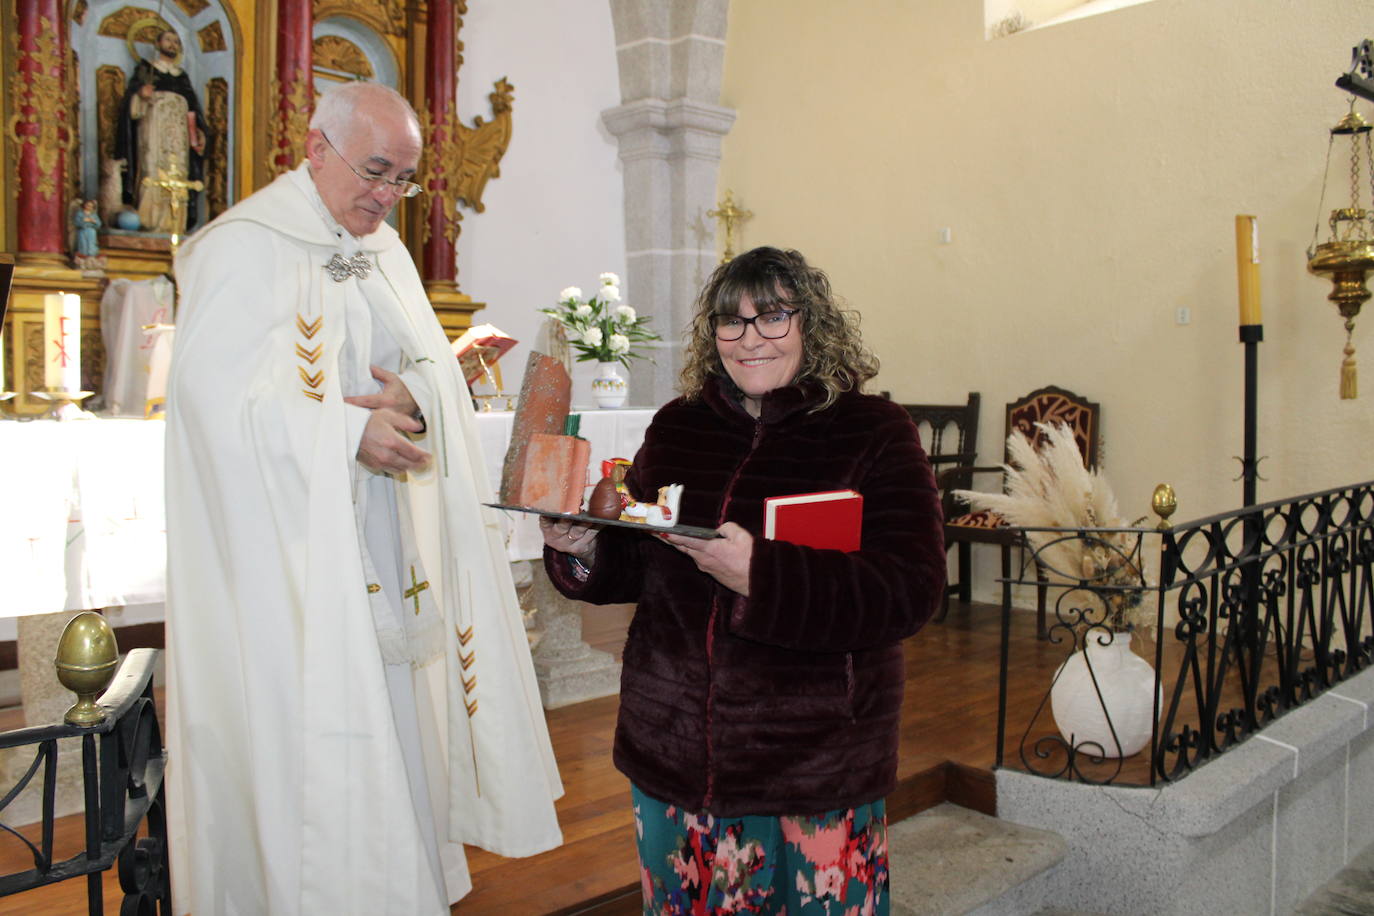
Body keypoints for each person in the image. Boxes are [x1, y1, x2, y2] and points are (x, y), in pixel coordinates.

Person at [165, 80, 562, 915]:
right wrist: (346, 433)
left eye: (403, 180)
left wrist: (411, 399)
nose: (387, 196)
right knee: (304, 727)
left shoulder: (385, 251)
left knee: (390, 715)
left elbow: (425, 379)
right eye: (375, 171)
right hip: (284, 558)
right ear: (316, 149)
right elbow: (210, 402)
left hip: (380, 537)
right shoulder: (238, 246)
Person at [540, 246, 947, 913]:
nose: (750, 338)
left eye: (773, 317)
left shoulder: (872, 430)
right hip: (672, 749)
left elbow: (911, 587)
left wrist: (763, 573)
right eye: (732, 322)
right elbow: (643, 558)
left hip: (813, 759)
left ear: (811, 323)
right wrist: (585, 549)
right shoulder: (679, 427)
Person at [113, 28, 208, 234]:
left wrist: (198, 134)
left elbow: (193, 112)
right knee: (152, 168)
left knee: (180, 173)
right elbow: (131, 106)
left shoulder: (182, 77)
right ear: (157, 44)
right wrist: (141, 96)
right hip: (154, 128)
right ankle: (151, 220)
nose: (172, 44)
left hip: (178, 135)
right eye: (168, 40)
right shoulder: (146, 70)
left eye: (176, 41)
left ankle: (176, 224)